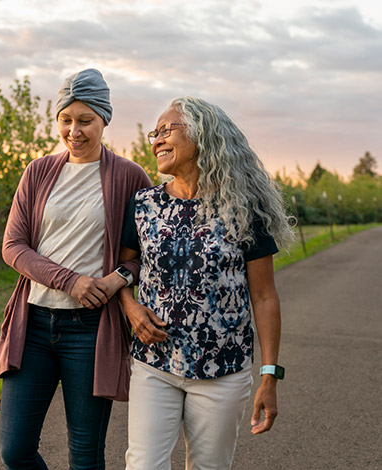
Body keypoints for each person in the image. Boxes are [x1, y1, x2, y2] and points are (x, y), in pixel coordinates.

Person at [118, 96, 294, 470]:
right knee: (143, 464)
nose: (157, 140)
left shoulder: (243, 208)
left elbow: (264, 296)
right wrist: (130, 307)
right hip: (155, 364)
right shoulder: (143, 204)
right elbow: (124, 269)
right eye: (155, 133)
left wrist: (269, 375)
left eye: (168, 129)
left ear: (204, 134)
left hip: (222, 370)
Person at [0, 68, 152, 470]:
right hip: (32, 326)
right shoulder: (38, 171)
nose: (74, 130)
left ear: (104, 120)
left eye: (86, 120)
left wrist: (118, 277)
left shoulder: (130, 176)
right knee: (15, 451)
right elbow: (13, 246)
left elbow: (151, 252)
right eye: (66, 119)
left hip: (91, 330)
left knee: (85, 457)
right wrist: (71, 281)